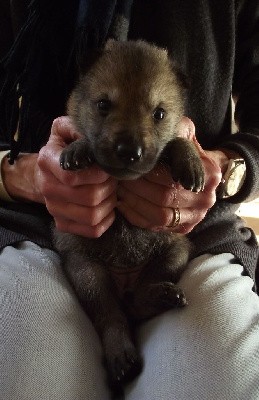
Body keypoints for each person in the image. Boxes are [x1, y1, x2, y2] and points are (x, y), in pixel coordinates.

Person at [1, 1, 259, 399]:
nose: (131, 139)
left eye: (157, 115)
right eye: (105, 107)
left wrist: (226, 167)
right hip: (39, 230)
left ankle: (145, 297)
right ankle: (112, 327)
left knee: (228, 385)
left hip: (194, 235)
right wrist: (17, 172)